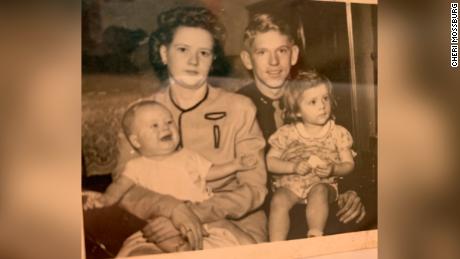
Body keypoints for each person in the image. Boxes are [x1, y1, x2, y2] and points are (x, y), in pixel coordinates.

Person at [102, 6, 267, 256]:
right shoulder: (138, 114)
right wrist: (170, 209)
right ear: (164, 53)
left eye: (204, 53)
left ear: (212, 61)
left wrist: (191, 214)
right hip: (157, 223)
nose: (193, 61)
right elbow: (126, 188)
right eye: (182, 50)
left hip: (231, 221)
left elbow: (254, 188)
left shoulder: (239, 108)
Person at [237, 13, 365, 237]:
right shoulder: (238, 107)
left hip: (322, 193)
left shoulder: (315, 97)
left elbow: (345, 151)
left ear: (294, 54)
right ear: (248, 60)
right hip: (275, 204)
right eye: (262, 52)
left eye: (282, 51)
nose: (274, 62)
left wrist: (352, 189)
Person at [84, 100, 257, 251]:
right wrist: (105, 199)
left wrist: (235, 165)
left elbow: (210, 172)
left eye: (169, 122)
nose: (165, 128)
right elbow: (119, 186)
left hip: (200, 214)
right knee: (168, 242)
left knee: (244, 239)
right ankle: (183, 249)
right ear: (136, 141)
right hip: (163, 222)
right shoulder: (136, 166)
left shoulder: (188, 155)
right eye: (155, 126)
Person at [267, 71, 355, 240]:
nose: (322, 106)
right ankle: (276, 247)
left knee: (319, 191)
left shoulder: (338, 133)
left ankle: (315, 236)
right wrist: (292, 167)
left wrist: (333, 169)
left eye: (325, 98)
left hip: (323, 183)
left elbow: (349, 164)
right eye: (313, 102)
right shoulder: (287, 133)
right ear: (297, 111)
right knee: (278, 200)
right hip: (292, 184)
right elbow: (270, 162)